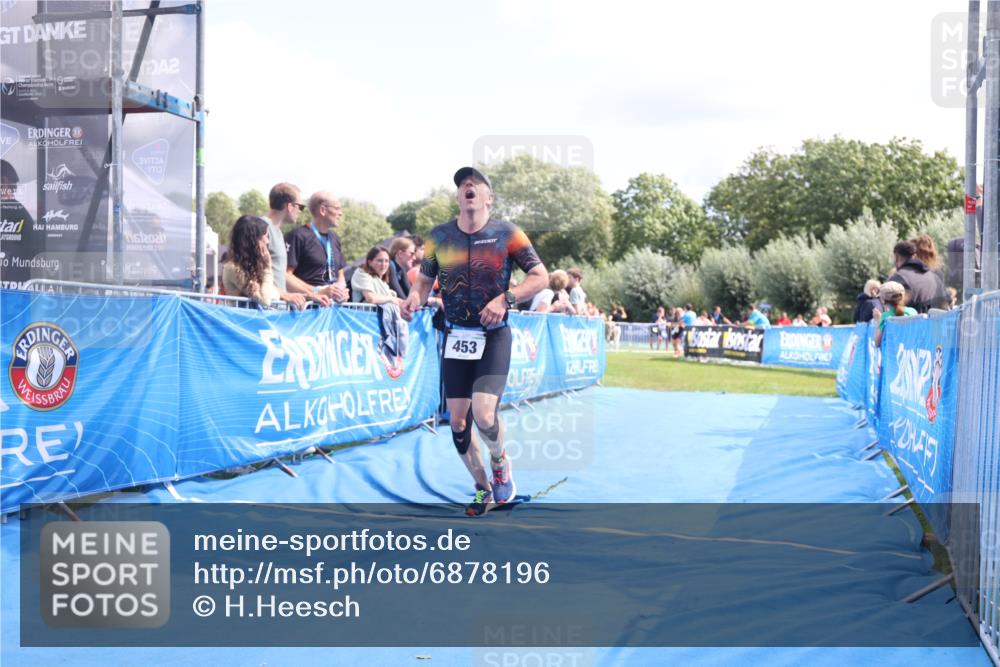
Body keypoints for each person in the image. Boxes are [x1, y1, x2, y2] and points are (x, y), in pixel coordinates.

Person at [400, 166, 547, 516]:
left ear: (488, 198)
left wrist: (506, 299)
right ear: (458, 197)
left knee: (484, 415)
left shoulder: (506, 233)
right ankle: (482, 487)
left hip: (494, 337)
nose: (468, 186)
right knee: (458, 422)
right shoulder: (439, 236)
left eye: (475, 184)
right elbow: (423, 282)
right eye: (462, 184)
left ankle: (500, 462)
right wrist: (413, 299)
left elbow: (540, 277)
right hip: (456, 337)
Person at [261, 183, 326, 309]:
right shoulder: (260, 227)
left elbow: (281, 275)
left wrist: (312, 294)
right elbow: (251, 275)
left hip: (275, 310)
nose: (301, 211)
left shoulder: (277, 232)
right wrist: (285, 295)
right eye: (300, 207)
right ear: (290, 206)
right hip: (262, 310)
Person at [285, 192, 349, 302]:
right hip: (306, 309)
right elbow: (286, 275)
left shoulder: (335, 238)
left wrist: (341, 290)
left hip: (332, 310)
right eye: (337, 208)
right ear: (323, 210)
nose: (341, 213)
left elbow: (340, 275)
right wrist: (316, 291)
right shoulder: (298, 236)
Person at [222, 215, 281, 308]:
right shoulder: (232, 268)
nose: (267, 241)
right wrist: (267, 268)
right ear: (253, 240)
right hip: (242, 321)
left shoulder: (251, 266)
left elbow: (274, 294)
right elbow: (266, 301)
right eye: (265, 236)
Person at [886, 240, 949, 313]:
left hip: (910, 323)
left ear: (896, 258)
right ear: (914, 256)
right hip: (936, 322)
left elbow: (890, 313)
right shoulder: (934, 277)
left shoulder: (897, 279)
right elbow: (944, 307)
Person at [873, 280, 917, 346]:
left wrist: (878, 321)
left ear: (883, 300)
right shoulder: (912, 311)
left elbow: (877, 343)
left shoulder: (885, 317)